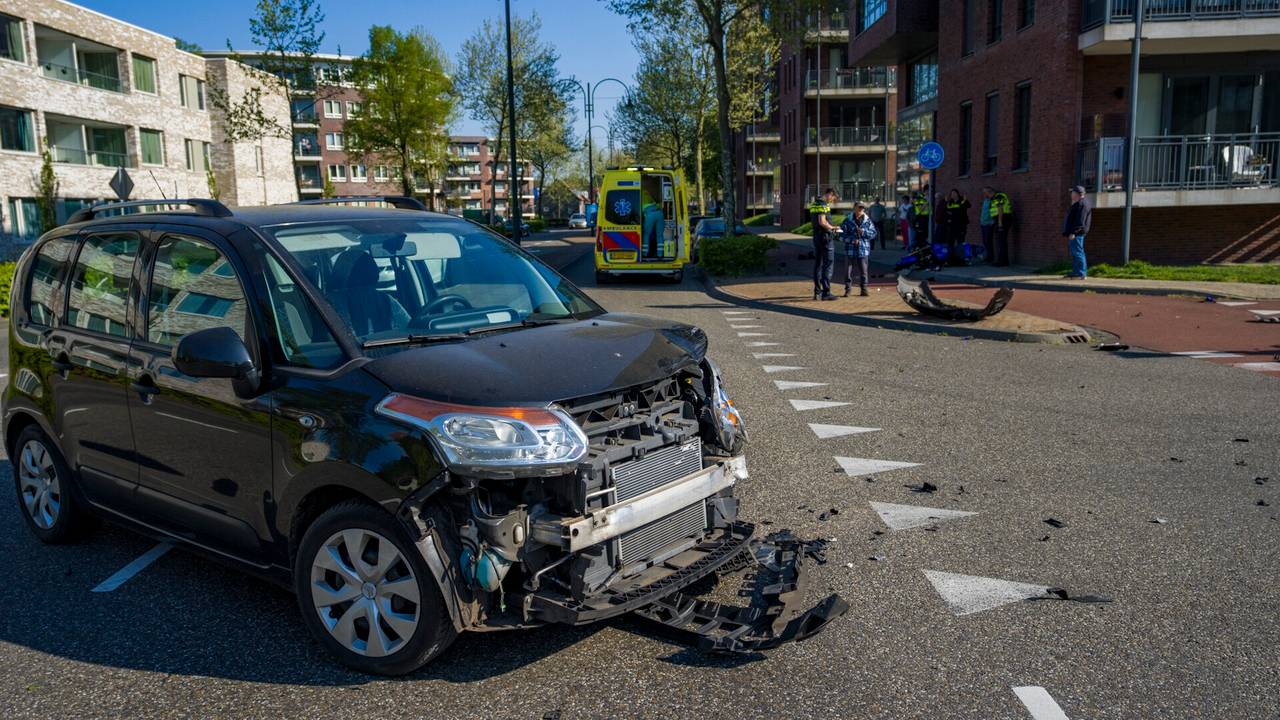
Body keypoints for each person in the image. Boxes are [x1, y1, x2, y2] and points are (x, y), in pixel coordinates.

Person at [808, 188, 840, 301]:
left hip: (816, 237)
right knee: (828, 264)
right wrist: (833, 228)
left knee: (818, 264)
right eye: (833, 198)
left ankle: (817, 292)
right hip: (825, 238)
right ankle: (826, 293)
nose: (832, 201)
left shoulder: (814, 204)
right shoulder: (823, 205)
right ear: (830, 194)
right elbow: (822, 221)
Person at [840, 202, 877, 297]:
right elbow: (840, 235)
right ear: (854, 208)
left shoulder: (867, 221)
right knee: (847, 271)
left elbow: (873, 234)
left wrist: (863, 232)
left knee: (864, 271)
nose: (861, 209)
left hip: (863, 249)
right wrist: (851, 240)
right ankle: (848, 290)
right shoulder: (847, 220)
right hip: (850, 249)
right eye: (859, 207)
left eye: (863, 208)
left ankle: (864, 289)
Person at [1062, 185, 1092, 279]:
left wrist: (1074, 232)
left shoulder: (1082, 205)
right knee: (1076, 253)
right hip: (1076, 233)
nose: (1071, 194)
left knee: (1078, 252)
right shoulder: (1079, 203)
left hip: (1077, 234)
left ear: (1077, 194)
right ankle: (1076, 272)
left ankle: (1081, 273)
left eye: (1073, 192)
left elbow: (1080, 221)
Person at [983, 186, 1013, 266]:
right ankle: (1004, 261)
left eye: (985, 193)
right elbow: (995, 211)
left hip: (1004, 219)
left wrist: (1000, 223)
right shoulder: (993, 199)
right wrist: (994, 222)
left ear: (989, 192)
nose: (984, 195)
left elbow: (1000, 209)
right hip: (1000, 219)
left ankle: (1002, 261)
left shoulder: (999, 196)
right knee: (1001, 240)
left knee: (1001, 241)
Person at [945, 189, 971, 261]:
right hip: (952, 225)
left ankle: (962, 258)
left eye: (954, 193)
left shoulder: (962, 200)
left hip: (961, 224)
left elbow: (969, 206)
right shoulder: (950, 202)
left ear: (957, 194)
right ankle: (951, 257)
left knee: (961, 241)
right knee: (950, 241)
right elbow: (947, 210)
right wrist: (946, 202)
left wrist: (965, 200)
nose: (953, 195)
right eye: (951, 194)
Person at [979, 188, 996, 263]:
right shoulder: (985, 201)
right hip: (983, 223)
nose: (984, 194)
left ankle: (990, 257)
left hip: (989, 223)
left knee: (988, 241)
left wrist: (992, 221)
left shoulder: (991, 201)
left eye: (985, 192)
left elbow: (993, 211)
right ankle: (987, 256)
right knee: (985, 241)